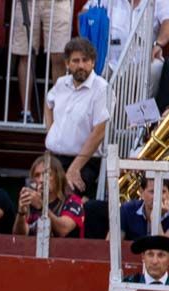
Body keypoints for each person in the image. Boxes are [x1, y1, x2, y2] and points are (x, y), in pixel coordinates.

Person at [44, 38, 109, 199]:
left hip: (85, 161)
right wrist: (51, 132)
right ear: (67, 64)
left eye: (85, 60)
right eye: (75, 60)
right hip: (53, 157)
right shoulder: (61, 83)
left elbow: (99, 132)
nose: (80, 65)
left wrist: (75, 168)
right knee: (38, 193)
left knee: (66, 196)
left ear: (93, 62)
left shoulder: (102, 88)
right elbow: (48, 103)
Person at [12, 0, 70, 123]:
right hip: (27, 3)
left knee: (59, 55)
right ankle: (25, 112)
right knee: (26, 54)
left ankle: (57, 110)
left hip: (57, 3)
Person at [13, 154, 84, 237]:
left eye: (47, 174)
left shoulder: (73, 201)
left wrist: (42, 207)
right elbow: (19, 237)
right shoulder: (31, 203)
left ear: (58, 176)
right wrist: (21, 212)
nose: (41, 180)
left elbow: (63, 230)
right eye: (37, 175)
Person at [119, 176, 169, 241]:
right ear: (141, 193)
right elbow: (111, 244)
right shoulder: (127, 209)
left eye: (163, 191)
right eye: (152, 191)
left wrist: (155, 218)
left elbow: (167, 248)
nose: (158, 196)